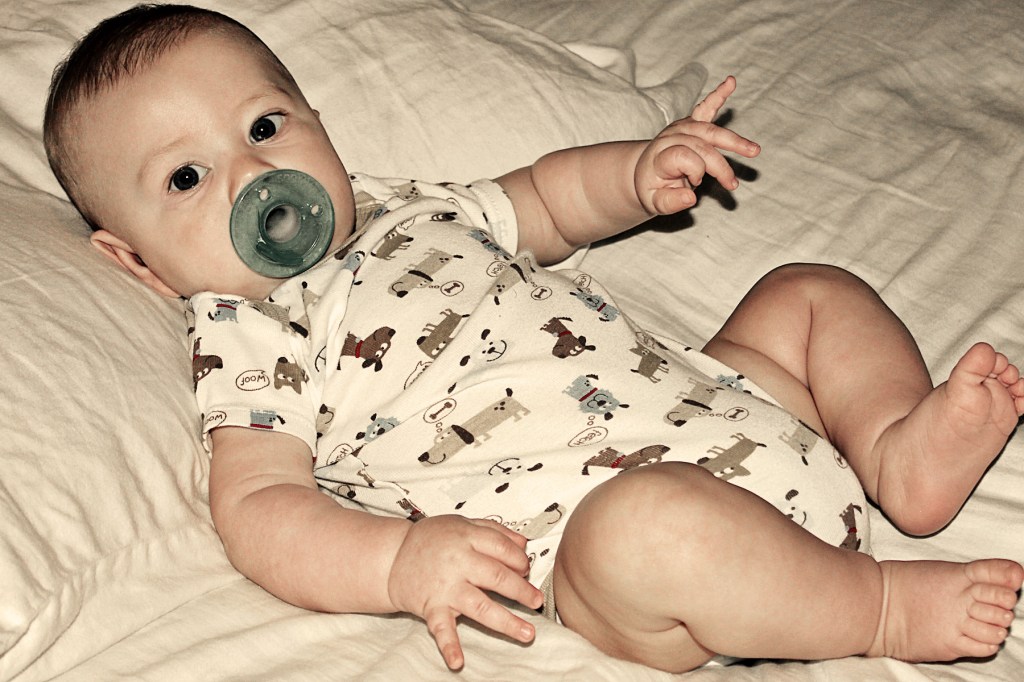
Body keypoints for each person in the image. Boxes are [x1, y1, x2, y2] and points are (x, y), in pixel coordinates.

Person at [43, 4, 1024, 674]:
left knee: (805, 294)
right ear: (135, 259)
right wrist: (397, 564)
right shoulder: (251, 334)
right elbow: (261, 506)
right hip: (605, 550)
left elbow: (546, 201)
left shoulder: (403, 208)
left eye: (265, 126)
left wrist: (636, 174)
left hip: (728, 404)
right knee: (652, 526)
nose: (252, 178)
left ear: (318, 124)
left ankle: (896, 448)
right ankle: (877, 606)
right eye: (185, 179)